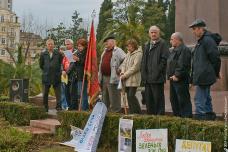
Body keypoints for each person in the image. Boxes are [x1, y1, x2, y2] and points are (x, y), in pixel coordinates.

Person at [189, 19, 221, 120]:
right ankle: (209, 119)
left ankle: (201, 123)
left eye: (194, 29)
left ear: (201, 29)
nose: (193, 32)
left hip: (204, 76)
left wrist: (216, 73)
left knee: (199, 101)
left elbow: (215, 58)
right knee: (206, 99)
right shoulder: (203, 40)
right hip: (203, 75)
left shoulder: (207, 40)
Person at [141, 26, 169, 115]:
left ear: (158, 33)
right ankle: (151, 119)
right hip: (147, 79)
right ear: (149, 34)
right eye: (151, 32)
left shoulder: (163, 44)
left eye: (155, 32)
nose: (153, 34)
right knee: (149, 101)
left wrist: (157, 73)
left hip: (157, 78)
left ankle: (160, 119)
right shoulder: (146, 45)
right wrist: (144, 75)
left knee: (158, 100)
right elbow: (143, 61)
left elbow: (164, 60)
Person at [167, 32, 192, 118]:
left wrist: (177, 75)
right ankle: (178, 118)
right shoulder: (174, 50)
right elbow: (171, 63)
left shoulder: (184, 50)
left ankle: (186, 119)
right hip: (173, 79)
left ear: (178, 40)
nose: (170, 41)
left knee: (183, 101)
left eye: (172, 39)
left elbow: (183, 64)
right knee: (174, 100)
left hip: (180, 80)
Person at [98, 36, 126, 112]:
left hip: (113, 77)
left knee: (114, 98)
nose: (106, 43)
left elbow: (126, 60)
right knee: (105, 98)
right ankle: (104, 114)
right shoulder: (104, 51)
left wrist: (120, 68)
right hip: (104, 78)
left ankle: (116, 114)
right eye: (105, 42)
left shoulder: (118, 51)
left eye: (107, 41)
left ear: (113, 42)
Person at [39, 39, 63, 112]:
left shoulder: (58, 53)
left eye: (51, 44)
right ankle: (45, 107)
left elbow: (61, 63)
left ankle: (58, 107)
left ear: (54, 45)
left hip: (56, 76)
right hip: (46, 76)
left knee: (58, 94)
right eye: (49, 44)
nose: (50, 45)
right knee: (45, 93)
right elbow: (41, 65)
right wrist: (47, 69)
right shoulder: (43, 54)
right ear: (46, 45)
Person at [119, 39, 142, 114]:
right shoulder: (128, 53)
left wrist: (125, 75)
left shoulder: (138, 54)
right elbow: (124, 64)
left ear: (134, 46)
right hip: (126, 79)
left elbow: (135, 67)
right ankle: (132, 112)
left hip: (133, 79)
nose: (128, 48)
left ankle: (137, 112)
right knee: (128, 97)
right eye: (127, 47)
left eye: (130, 46)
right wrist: (122, 72)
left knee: (131, 96)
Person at [62, 39, 78, 110]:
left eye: (68, 44)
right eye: (66, 44)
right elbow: (62, 63)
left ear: (72, 44)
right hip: (65, 75)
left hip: (72, 75)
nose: (66, 45)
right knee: (66, 92)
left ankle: (73, 108)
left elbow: (72, 64)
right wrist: (62, 70)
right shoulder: (66, 53)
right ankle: (69, 107)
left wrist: (66, 72)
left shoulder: (75, 52)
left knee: (72, 93)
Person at [74, 38, 89, 111]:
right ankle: (83, 107)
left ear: (84, 46)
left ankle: (84, 108)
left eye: (80, 46)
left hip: (84, 75)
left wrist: (78, 59)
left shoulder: (86, 53)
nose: (79, 48)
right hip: (79, 75)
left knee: (83, 93)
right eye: (78, 46)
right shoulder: (79, 53)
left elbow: (85, 63)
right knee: (80, 93)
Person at [59, 45, 69, 110]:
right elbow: (61, 65)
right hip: (62, 76)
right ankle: (63, 105)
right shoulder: (60, 57)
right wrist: (62, 70)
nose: (62, 51)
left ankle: (66, 105)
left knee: (66, 92)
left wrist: (66, 71)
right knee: (62, 92)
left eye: (63, 50)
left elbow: (70, 65)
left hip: (68, 76)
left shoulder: (68, 55)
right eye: (61, 50)